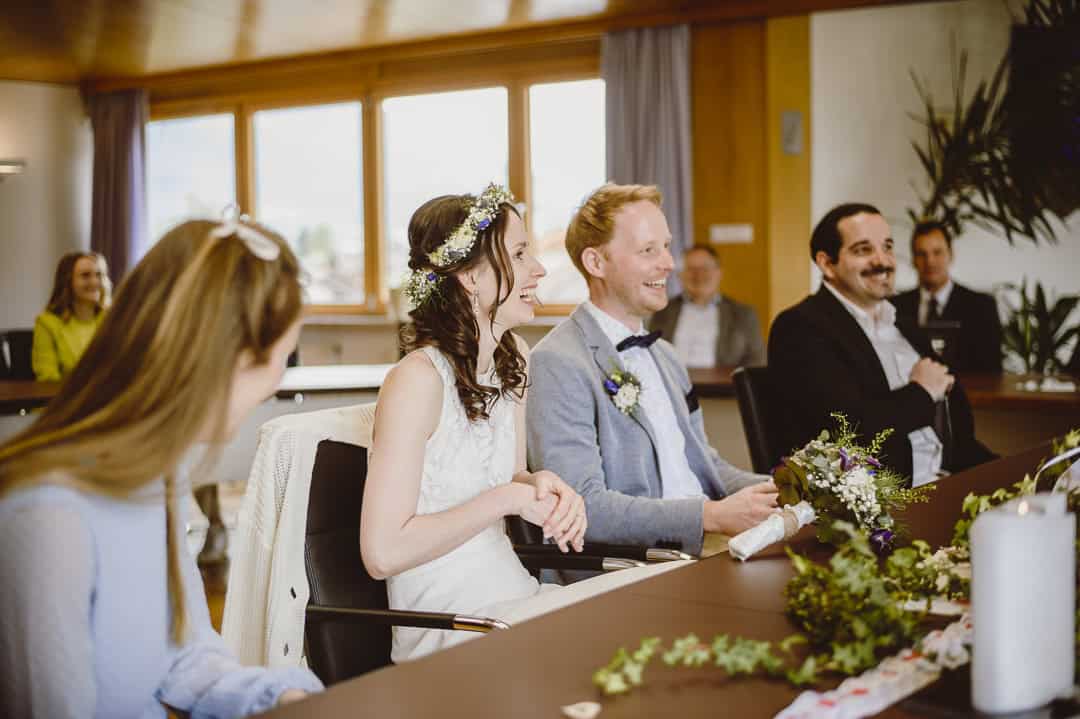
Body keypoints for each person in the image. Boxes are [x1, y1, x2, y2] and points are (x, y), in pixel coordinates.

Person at [0, 218, 323, 718]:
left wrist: (280, 697)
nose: (277, 381)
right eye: (282, 358)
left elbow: (183, 654)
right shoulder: (47, 515)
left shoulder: (158, 476)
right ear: (226, 359)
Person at [361, 184, 690, 663]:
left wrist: (540, 484)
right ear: (470, 277)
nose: (539, 269)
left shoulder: (513, 357)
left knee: (669, 594)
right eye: (519, 254)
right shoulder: (415, 380)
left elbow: (511, 476)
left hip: (516, 594)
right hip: (451, 623)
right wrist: (506, 499)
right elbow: (382, 554)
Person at [526, 183, 777, 557]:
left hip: (705, 546)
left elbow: (704, 464)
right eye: (648, 250)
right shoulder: (557, 362)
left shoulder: (666, 356)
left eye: (666, 246)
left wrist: (786, 488)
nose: (669, 264)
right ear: (596, 263)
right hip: (640, 562)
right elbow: (585, 507)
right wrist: (711, 516)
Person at [767, 203, 996, 487]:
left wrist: (1013, 475)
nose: (882, 261)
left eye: (887, 247)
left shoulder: (905, 324)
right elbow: (847, 433)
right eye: (863, 250)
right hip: (886, 501)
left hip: (948, 482)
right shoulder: (801, 327)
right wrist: (922, 391)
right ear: (827, 263)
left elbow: (959, 433)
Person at [890, 220, 1003, 372]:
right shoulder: (893, 308)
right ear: (913, 260)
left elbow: (992, 372)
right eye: (922, 254)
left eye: (937, 252)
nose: (930, 261)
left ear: (951, 255)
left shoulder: (982, 307)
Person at [648, 244, 766, 368]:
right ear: (680, 275)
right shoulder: (661, 310)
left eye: (705, 268)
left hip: (724, 380)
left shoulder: (743, 314)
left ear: (719, 273)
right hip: (671, 379)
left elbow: (757, 360)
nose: (698, 275)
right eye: (691, 269)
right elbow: (649, 354)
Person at [31, 251, 111, 382]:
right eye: (85, 275)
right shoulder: (46, 323)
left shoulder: (111, 319)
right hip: (65, 394)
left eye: (99, 275)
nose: (95, 281)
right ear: (67, 282)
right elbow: (48, 379)